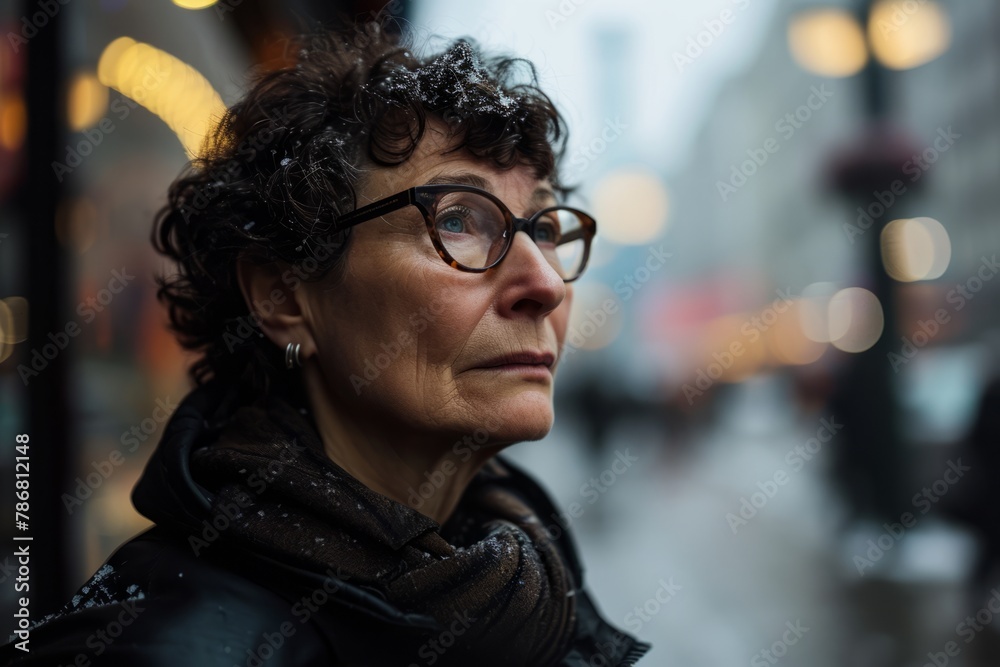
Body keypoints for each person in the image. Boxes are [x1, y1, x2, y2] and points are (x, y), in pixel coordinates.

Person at [0, 20, 651, 667]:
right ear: (285, 297)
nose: (544, 282)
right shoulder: (157, 645)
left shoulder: (522, 584)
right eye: (457, 220)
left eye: (541, 226)